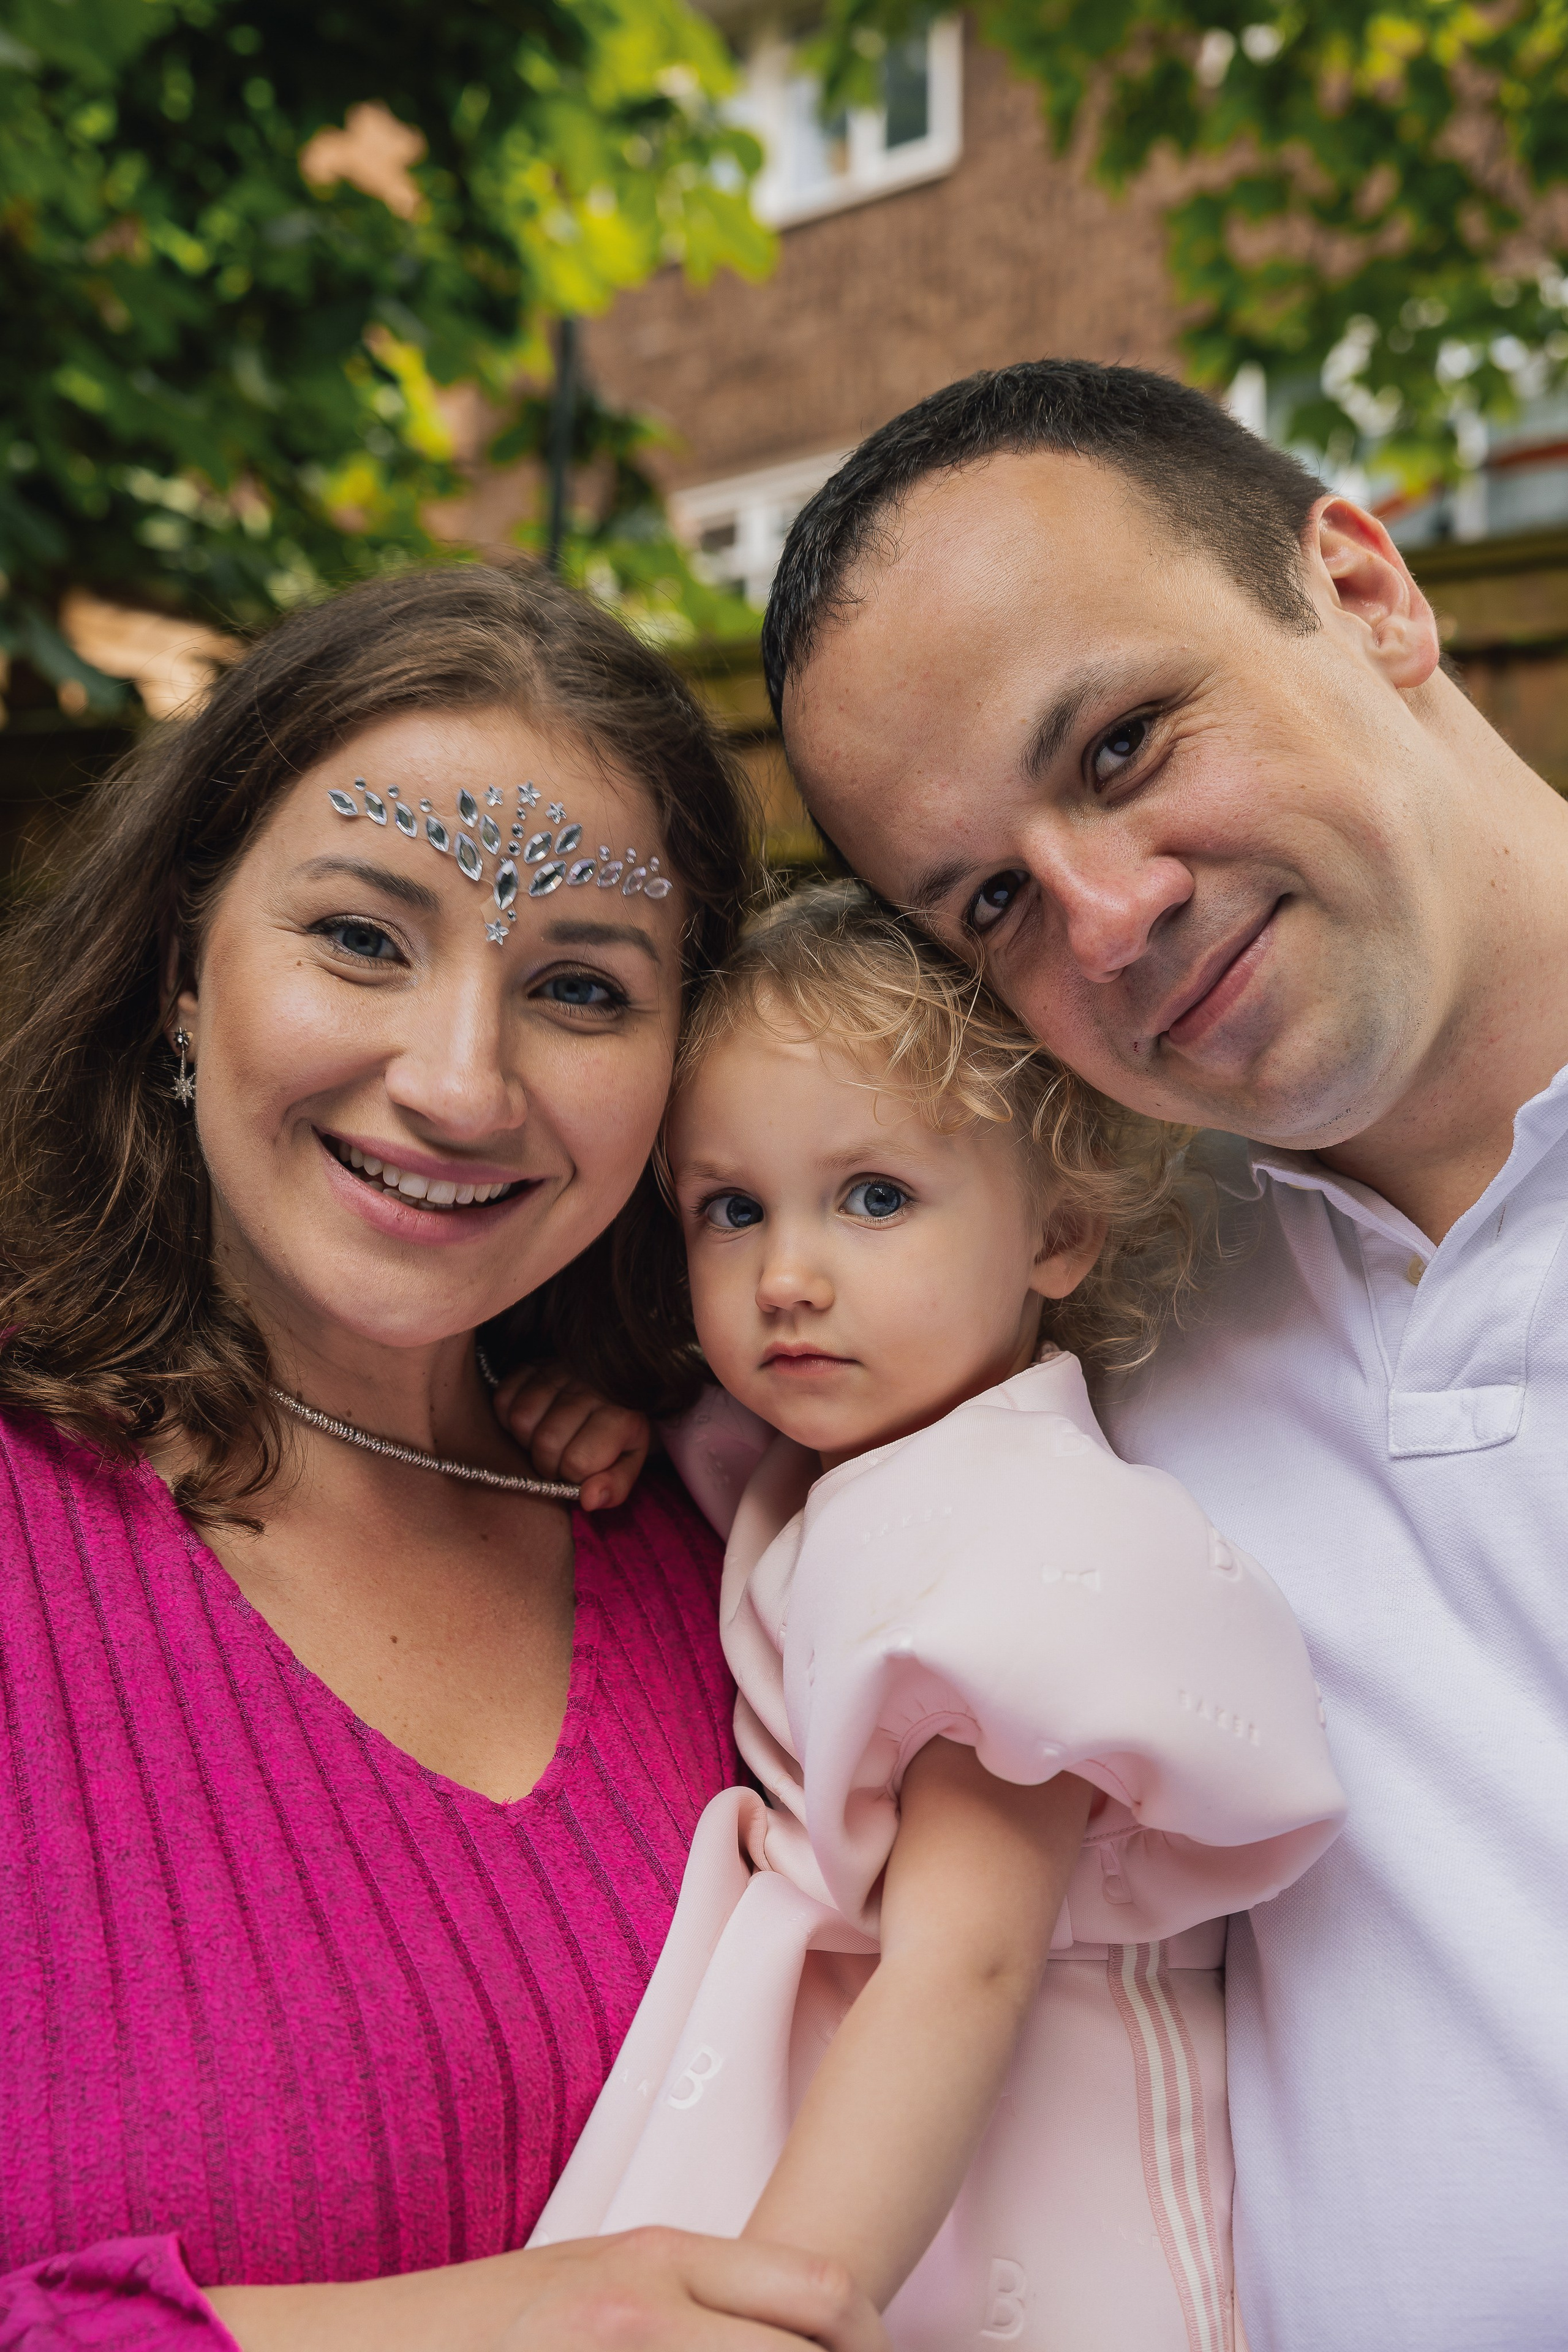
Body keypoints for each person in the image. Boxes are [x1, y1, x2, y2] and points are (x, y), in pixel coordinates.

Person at [757, 359, 1568, 2351]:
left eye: (1124, 744)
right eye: (992, 904)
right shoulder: (1072, 1302)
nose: (1107, 920)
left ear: (1368, 594)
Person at [0, 564, 883, 2352]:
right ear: (183, 965)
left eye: (578, 985)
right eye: (358, 940)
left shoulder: (745, 1537)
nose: (462, 1085)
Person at [527, 884, 1344, 2350]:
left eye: (875, 1198)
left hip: (993, 2181)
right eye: (731, 1208)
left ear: (1059, 1232)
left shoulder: (1020, 1535)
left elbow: (962, 1961)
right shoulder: (843, 1462)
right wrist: (601, 1425)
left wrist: (779, 2305)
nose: (786, 1276)